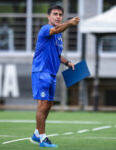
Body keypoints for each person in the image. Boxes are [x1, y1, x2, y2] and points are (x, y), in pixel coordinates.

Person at [31, 5, 80, 148]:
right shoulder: (46, 29)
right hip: (41, 71)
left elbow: (57, 55)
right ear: (48, 16)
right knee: (43, 104)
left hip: (51, 73)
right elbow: (57, 29)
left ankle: (36, 133)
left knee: (49, 105)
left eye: (60, 14)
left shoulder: (58, 36)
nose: (58, 16)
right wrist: (70, 23)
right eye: (55, 14)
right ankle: (42, 138)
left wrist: (68, 62)